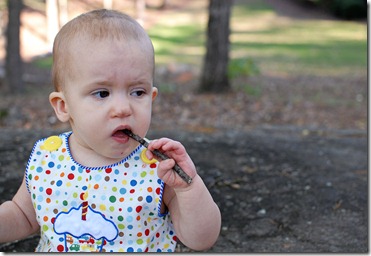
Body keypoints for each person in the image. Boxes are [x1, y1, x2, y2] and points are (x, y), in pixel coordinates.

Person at [0, 9, 221, 252]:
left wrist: (189, 187)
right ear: (64, 106)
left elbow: (201, 239)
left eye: (138, 92)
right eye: (102, 93)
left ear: (152, 97)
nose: (123, 108)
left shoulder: (158, 167)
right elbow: (23, 215)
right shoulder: (47, 158)